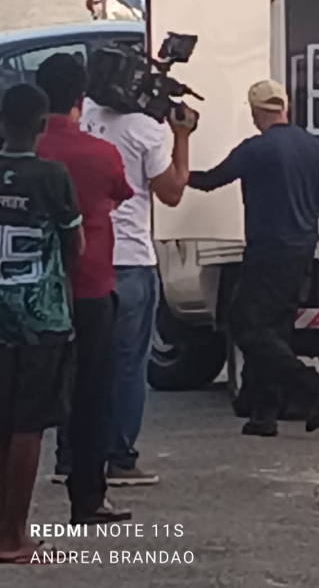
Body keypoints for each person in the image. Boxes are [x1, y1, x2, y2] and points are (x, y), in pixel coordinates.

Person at [189, 80, 319, 437]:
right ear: (284, 107)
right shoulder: (313, 146)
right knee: (275, 329)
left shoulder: (256, 149)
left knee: (246, 324)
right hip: (302, 249)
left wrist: (175, 177)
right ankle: (264, 413)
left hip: (268, 250)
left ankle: (315, 387)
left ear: (256, 111)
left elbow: (212, 180)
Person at [79, 61, 198, 486]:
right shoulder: (146, 131)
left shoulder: (86, 118)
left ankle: (69, 458)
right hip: (130, 259)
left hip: (85, 257)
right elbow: (171, 192)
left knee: (84, 362)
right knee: (129, 365)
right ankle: (121, 458)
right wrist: (181, 136)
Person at [35, 54, 135, 523]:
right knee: (92, 391)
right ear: (80, 99)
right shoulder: (100, 153)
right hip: (91, 284)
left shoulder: (25, 150)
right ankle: (87, 498)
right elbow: (119, 194)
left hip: (30, 287)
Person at [0, 84, 83, 563]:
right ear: (40, 126)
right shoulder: (53, 177)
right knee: (28, 426)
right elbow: (76, 248)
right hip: (40, 315)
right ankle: (13, 535)